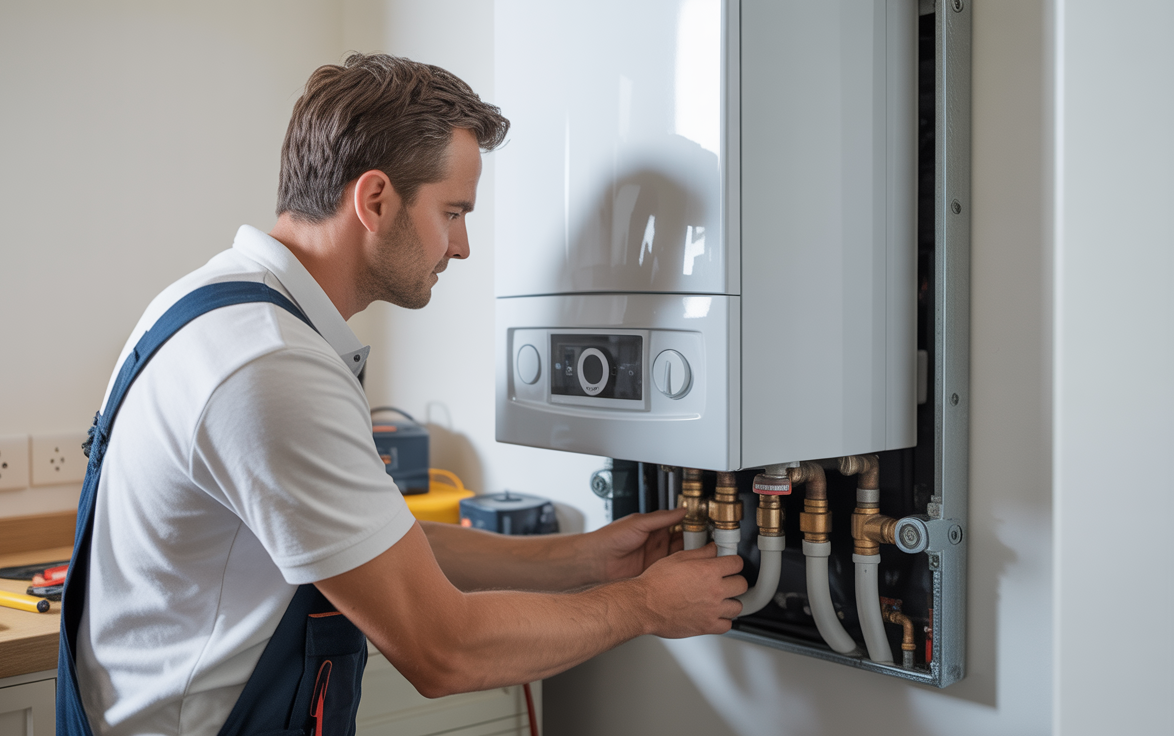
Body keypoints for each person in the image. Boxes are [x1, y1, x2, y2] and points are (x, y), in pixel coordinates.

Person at [71, 53, 745, 736]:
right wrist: (643, 607)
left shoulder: (206, 307)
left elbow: (373, 546)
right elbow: (444, 649)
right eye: (452, 212)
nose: (462, 246)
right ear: (374, 200)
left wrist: (585, 560)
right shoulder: (270, 365)